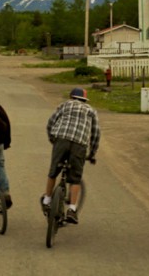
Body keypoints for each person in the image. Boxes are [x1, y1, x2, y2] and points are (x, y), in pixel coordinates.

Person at [42, 87, 100, 224]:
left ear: (71, 97)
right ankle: (72, 210)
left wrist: (53, 140)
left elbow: (50, 123)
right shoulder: (91, 111)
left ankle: (47, 200)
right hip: (79, 144)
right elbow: (96, 134)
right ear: (84, 100)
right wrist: (92, 153)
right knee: (75, 178)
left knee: (53, 172)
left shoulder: (64, 105)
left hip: (61, 140)